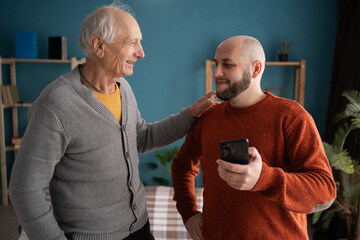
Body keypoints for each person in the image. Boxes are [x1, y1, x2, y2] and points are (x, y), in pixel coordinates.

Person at [9, 4, 216, 240]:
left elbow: (142, 138)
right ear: (99, 46)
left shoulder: (122, 88)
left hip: (139, 227)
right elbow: (24, 189)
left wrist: (190, 114)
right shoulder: (55, 104)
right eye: (132, 42)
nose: (141, 52)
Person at [171, 35, 336, 240]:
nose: (217, 72)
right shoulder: (209, 117)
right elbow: (181, 166)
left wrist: (264, 178)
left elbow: (324, 191)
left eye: (227, 65)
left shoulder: (291, 116)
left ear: (256, 69)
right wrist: (189, 214)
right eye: (216, 64)